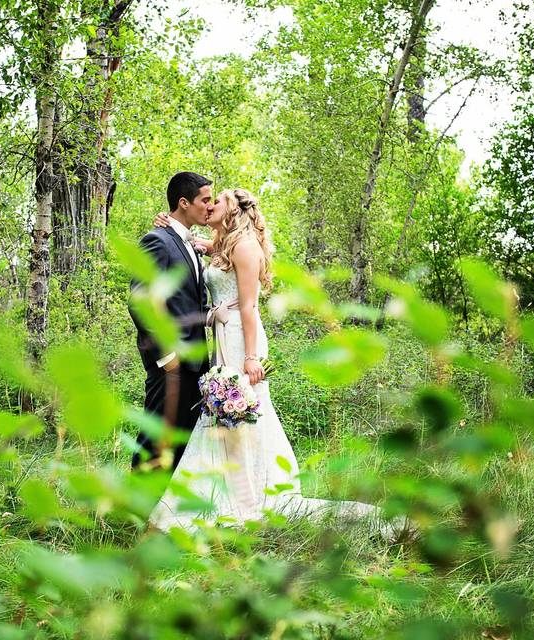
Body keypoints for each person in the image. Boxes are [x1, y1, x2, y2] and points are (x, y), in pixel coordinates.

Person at [146, 188, 404, 538]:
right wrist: (174, 225)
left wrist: (251, 357)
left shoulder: (246, 246)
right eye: (206, 202)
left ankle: (244, 497)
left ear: (233, 209)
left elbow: (250, 307)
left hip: (242, 339)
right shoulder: (224, 243)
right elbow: (198, 244)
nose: (210, 206)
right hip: (224, 336)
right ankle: (227, 491)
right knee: (224, 414)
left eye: (216, 201)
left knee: (240, 412)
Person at [128, 171, 213, 471]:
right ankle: (133, 513)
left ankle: (165, 512)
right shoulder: (157, 241)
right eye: (205, 200)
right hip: (171, 363)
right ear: (183, 202)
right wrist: (166, 356)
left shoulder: (188, 242)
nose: (210, 206)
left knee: (181, 442)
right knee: (155, 439)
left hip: (195, 363)